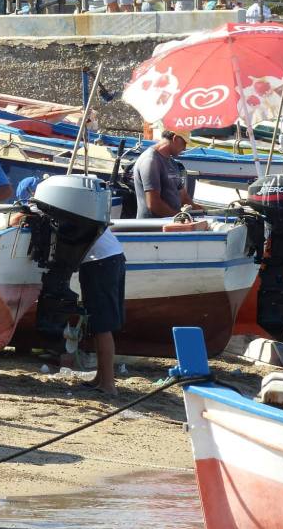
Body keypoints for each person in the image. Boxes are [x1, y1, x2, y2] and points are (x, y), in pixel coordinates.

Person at [77, 228, 125, 396]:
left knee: (101, 325)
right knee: (97, 323)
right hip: (108, 258)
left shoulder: (57, 207)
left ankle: (108, 384)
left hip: (101, 261)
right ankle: (101, 378)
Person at [132, 131, 196, 219]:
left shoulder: (172, 162)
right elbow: (154, 204)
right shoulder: (150, 161)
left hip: (170, 224)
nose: (185, 148)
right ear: (175, 138)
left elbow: (183, 196)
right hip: (152, 228)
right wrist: (179, 218)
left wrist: (203, 211)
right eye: (184, 143)